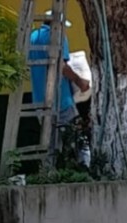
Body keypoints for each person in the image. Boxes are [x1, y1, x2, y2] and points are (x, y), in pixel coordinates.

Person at [29, 11, 90, 154]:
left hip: (39, 101)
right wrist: (80, 82)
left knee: (51, 146)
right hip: (61, 100)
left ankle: (49, 174)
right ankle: (84, 169)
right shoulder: (58, 36)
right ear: (56, 24)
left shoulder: (33, 38)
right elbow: (62, 67)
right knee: (79, 141)